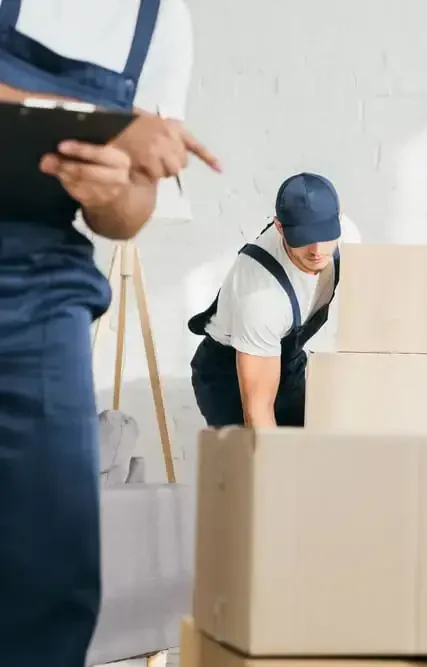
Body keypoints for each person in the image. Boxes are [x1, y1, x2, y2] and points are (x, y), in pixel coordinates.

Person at [0, 0, 219, 665]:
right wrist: (98, 125)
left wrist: (108, 189)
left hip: (39, 286)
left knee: (53, 567)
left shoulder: (159, 21)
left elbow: (130, 212)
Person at [189, 172, 342, 428]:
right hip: (228, 377)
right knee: (251, 463)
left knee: (311, 449)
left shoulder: (347, 239)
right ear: (279, 227)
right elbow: (258, 413)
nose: (316, 251)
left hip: (286, 358)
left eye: (325, 234)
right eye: (304, 239)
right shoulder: (260, 293)